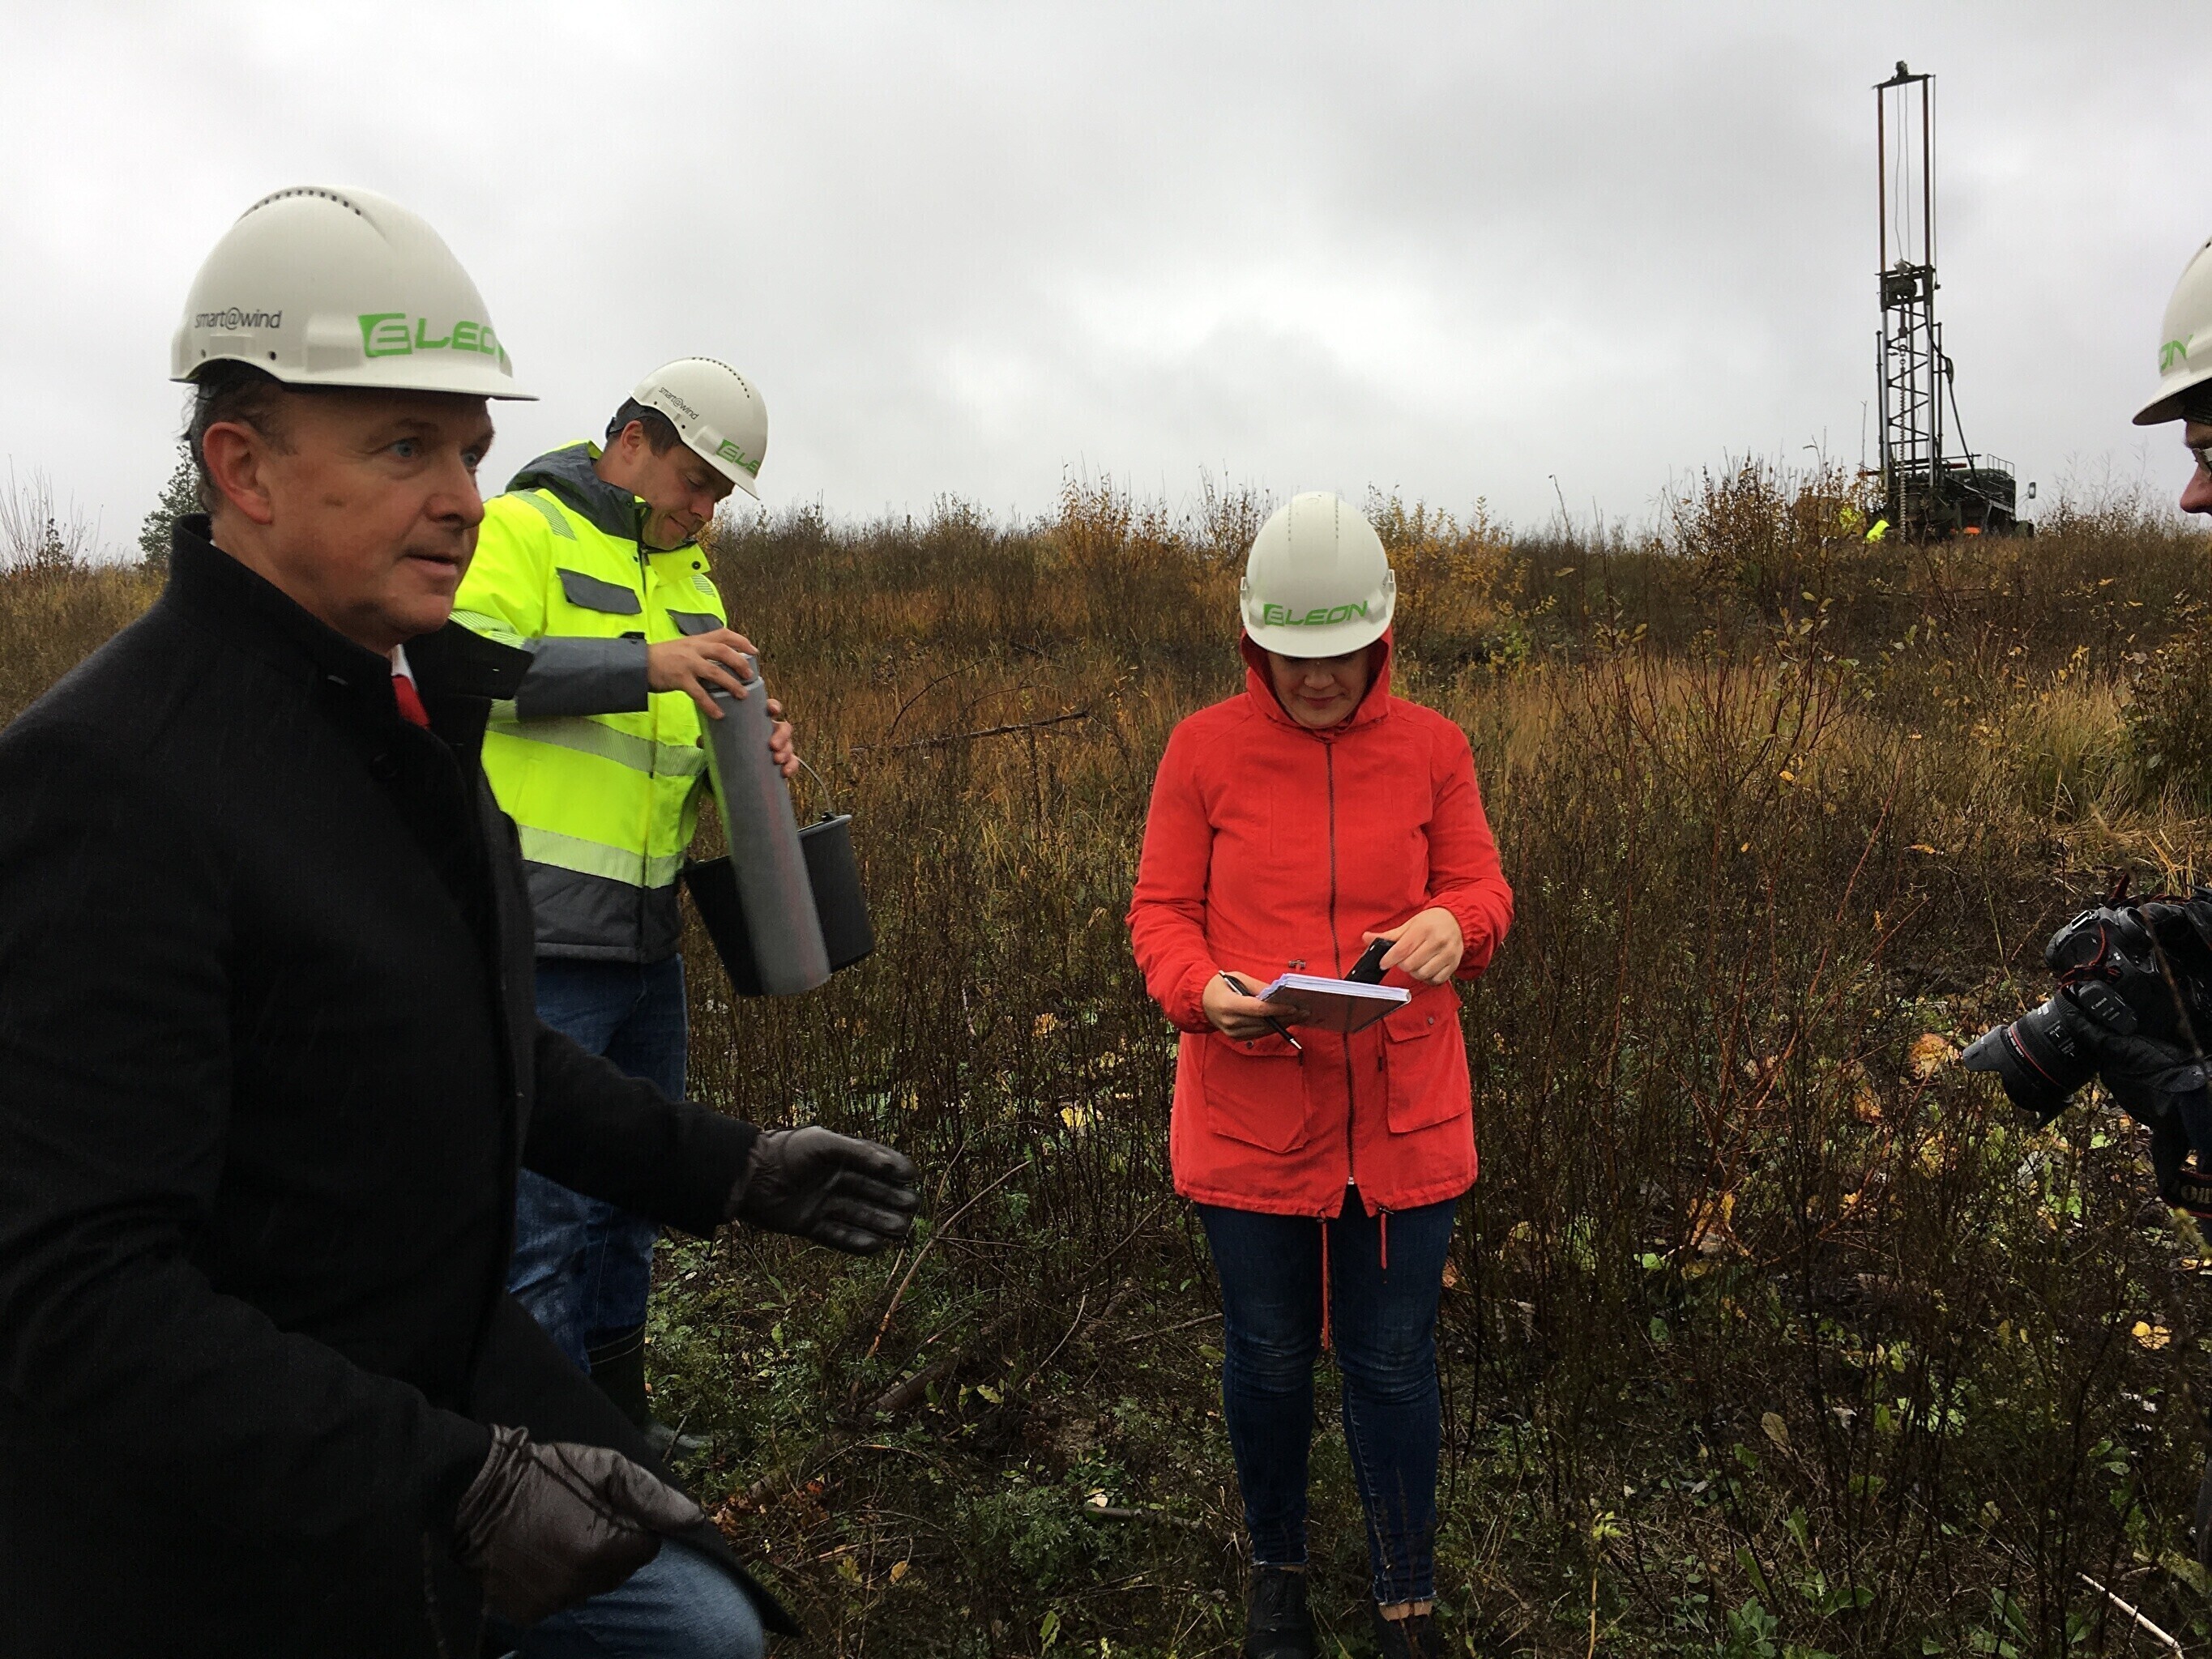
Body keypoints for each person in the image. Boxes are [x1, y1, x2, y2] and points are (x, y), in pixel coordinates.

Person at [0, 185, 920, 1658]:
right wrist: (458, 1484)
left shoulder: (398, 724)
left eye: (472, 452)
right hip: (243, 1514)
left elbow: (472, 1046)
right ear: (243, 466)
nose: (465, 500)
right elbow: (78, 1303)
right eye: (404, 447)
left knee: (706, 1633)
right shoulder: (107, 780)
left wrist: (729, 1165)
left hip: (435, 1382)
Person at [1126, 493, 1514, 1659]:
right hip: (1251, 1116)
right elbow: (1160, 912)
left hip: (1405, 1122)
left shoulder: (1435, 748)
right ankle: (1277, 1575)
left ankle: (1406, 1599)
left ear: (1382, 636)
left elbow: (1484, 890)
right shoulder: (1201, 750)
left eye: (1340, 654)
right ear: (1254, 641)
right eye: (1292, 656)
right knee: (1267, 1359)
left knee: (1392, 1363)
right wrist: (1202, 991)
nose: (1317, 678)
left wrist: (1456, 923)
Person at [450, 359, 784, 1451]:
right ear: (633, 441)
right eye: (697, 482)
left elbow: (672, 745)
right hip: (540, 938)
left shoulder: (694, 580)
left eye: (720, 496)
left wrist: (750, 752)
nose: (705, 510)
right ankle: (557, 1462)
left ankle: (622, 1432)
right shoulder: (521, 529)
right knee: (543, 1221)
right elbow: (467, 668)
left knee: (633, 1199)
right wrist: (648, 663)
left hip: (647, 941)